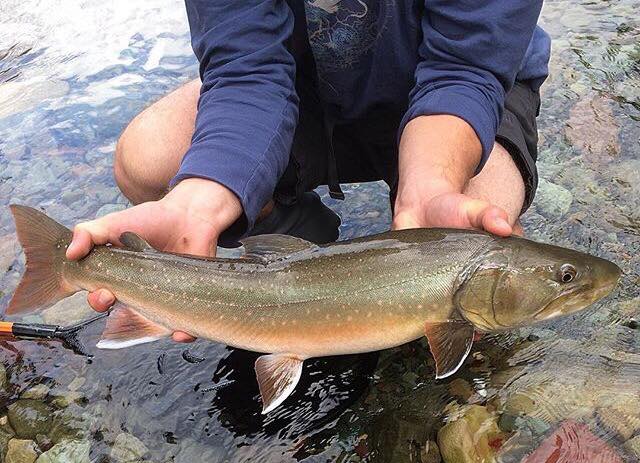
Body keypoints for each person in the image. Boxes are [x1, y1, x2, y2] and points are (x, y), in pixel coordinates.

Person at [66, 0, 550, 343]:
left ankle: (331, 274)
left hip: (458, 98)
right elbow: (247, 71)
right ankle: (299, 250)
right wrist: (201, 196)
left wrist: (431, 183)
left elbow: (463, 70)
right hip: (303, 91)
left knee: (483, 234)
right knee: (149, 161)